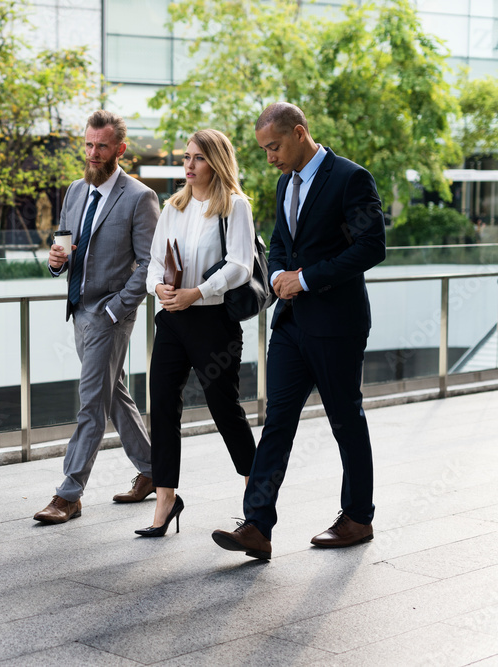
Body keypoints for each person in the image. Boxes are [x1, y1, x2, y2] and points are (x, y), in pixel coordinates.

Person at [212, 103, 386, 560]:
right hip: (290, 325)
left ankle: (358, 517)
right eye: (264, 149)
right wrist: (278, 274)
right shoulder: (283, 183)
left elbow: (372, 246)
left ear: (300, 133)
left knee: (346, 420)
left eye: (274, 147)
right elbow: (282, 244)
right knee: (276, 423)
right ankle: (257, 526)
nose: (269, 157)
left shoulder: (351, 178)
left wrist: (305, 278)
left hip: (336, 325)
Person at [34, 109, 159, 523]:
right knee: (113, 394)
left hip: (109, 315)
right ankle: (153, 470)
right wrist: (55, 261)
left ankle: (69, 494)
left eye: (100, 146)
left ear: (119, 149)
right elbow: (65, 248)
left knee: (91, 403)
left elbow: (148, 265)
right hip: (78, 310)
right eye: (88, 144)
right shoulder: (73, 190)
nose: (92, 153)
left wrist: (114, 309)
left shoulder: (140, 198)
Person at [136, 129, 257, 537]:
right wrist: (161, 288)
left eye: (198, 158)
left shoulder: (234, 207)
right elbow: (154, 263)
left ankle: (254, 495)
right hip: (173, 320)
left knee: (225, 409)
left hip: (213, 322)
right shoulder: (174, 206)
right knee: (163, 406)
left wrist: (198, 293)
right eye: (186, 157)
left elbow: (240, 265)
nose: (188, 165)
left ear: (217, 162)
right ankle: (166, 498)